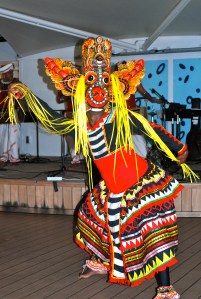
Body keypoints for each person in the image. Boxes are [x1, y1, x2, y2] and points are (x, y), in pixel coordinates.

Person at [6, 36, 197, 299]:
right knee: (91, 218)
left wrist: (180, 149)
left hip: (141, 185)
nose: (98, 91)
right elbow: (51, 118)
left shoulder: (123, 117)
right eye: (92, 85)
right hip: (113, 187)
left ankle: (166, 289)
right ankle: (99, 261)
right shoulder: (80, 121)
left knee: (153, 234)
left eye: (104, 85)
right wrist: (25, 94)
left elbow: (153, 129)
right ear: (80, 90)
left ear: (113, 91)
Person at [0, 63, 21, 164]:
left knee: (13, 136)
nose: (5, 76)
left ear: (12, 73)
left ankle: (14, 158)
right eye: (3, 74)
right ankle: (3, 157)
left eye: (7, 73)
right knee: (2, 136)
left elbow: (20, 97)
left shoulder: (17, 83)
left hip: (14, 112)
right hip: (1, 113)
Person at [56, 91, 82, 164]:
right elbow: (59, 100)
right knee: (69, 134)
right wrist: (68, 94)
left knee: (81, 135)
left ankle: (80, 154)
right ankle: (74, 155)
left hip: (82, 114)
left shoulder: (84, 83)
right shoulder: (65, 86)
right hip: (70, 114)